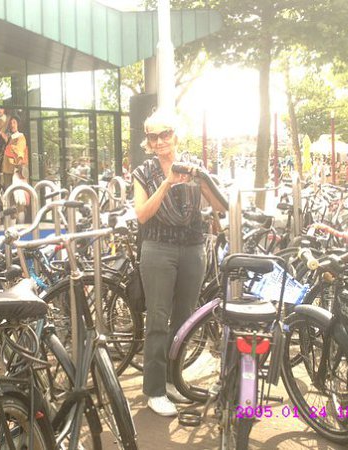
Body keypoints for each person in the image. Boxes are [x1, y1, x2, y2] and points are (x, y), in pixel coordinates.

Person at [132, 110, 226, 417]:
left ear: (175, 135)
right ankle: (154, 390)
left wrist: (202, 180)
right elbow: (142, 214)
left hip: (193, 247)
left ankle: (173, 381)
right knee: (157, 319)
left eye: (165, 134)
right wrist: (167, 183)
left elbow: (220, 205)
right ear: (147, 141)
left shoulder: (193, 165)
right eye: (153, 136)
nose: (160, 141)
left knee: (184, 319)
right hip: (158, 249)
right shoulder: (144, 171)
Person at [1, 116, 28, 189]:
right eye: (10, 123)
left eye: (14, 123)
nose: (12, 125)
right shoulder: (11, 137)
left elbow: (20, 152)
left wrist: (18, 167)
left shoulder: (20, 137)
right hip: (7, 170)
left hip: (13, 170)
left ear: (18, 124)